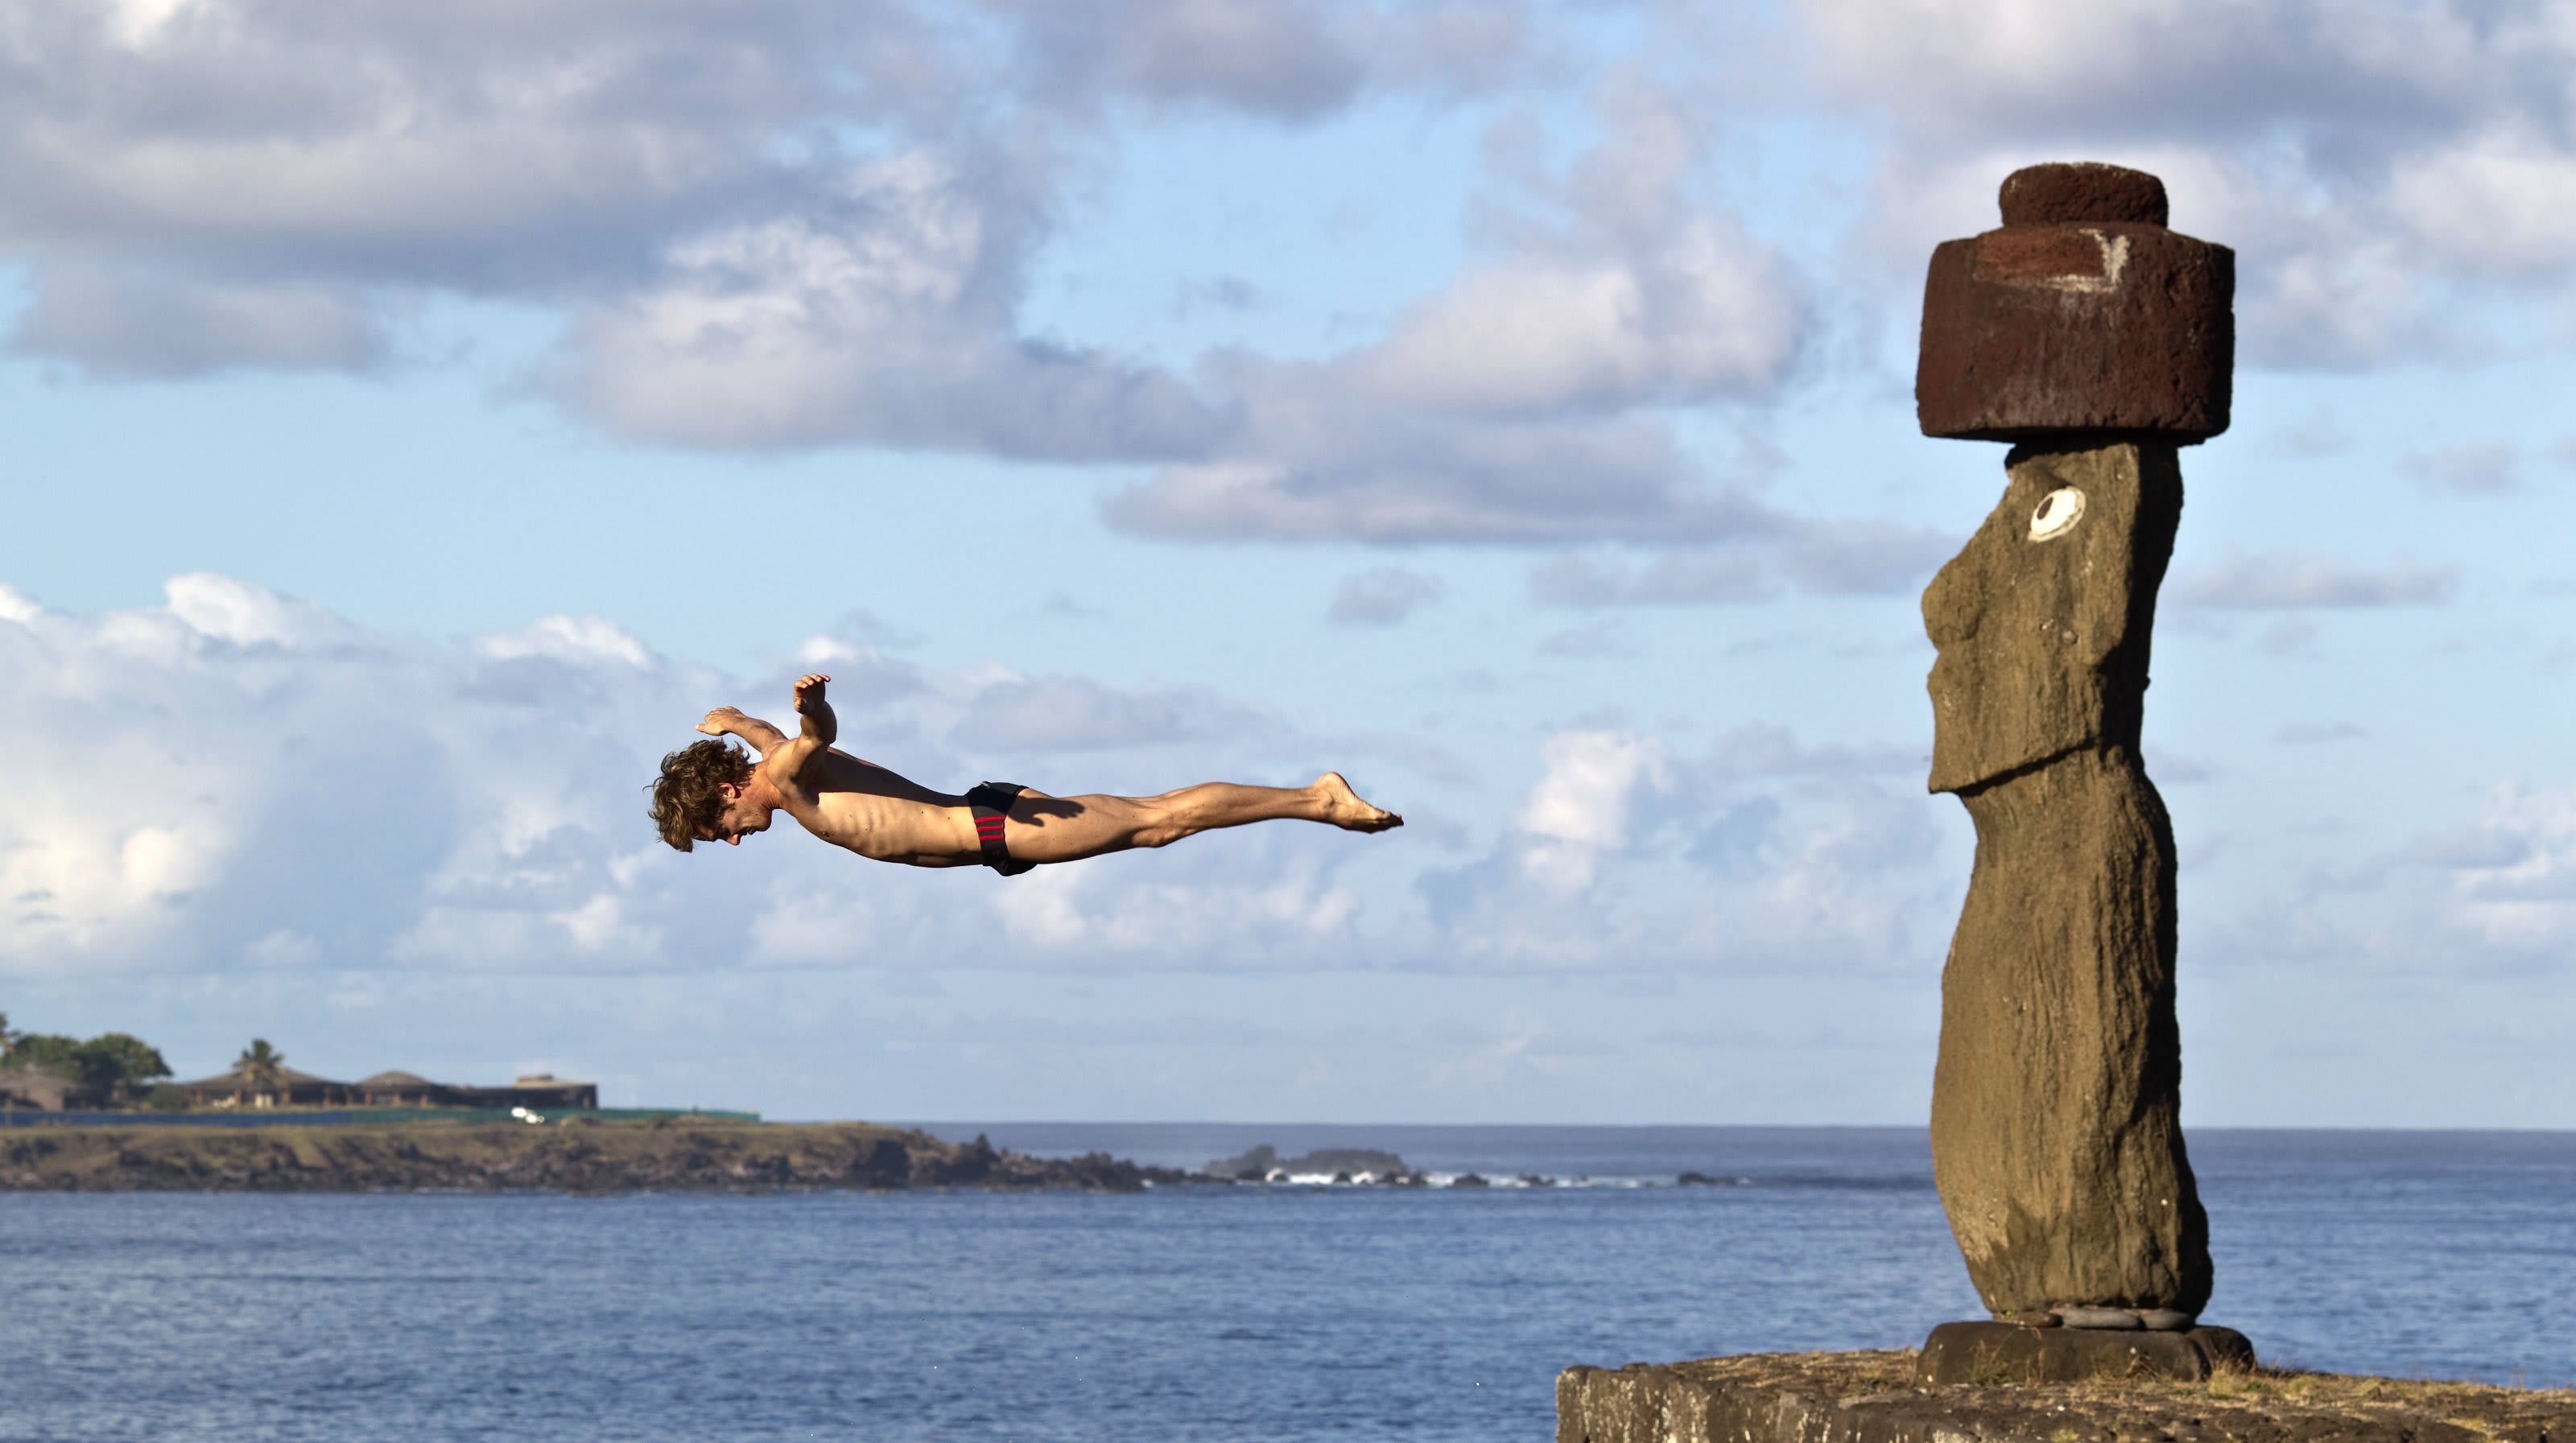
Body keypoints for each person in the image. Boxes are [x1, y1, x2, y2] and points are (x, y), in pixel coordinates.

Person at [649, 674, 1401, 873]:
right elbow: (770, 735)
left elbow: (811, 738)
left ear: (724, 792)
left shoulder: (788, 772)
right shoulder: (770, 761)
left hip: (995, 829)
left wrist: (814, 707)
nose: (736, 840)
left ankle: (1317, 798)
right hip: (991, 821)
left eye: (720, 832)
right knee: (1156, 820)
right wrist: (734, 718)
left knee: (1160, 820)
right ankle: (1314, 799)